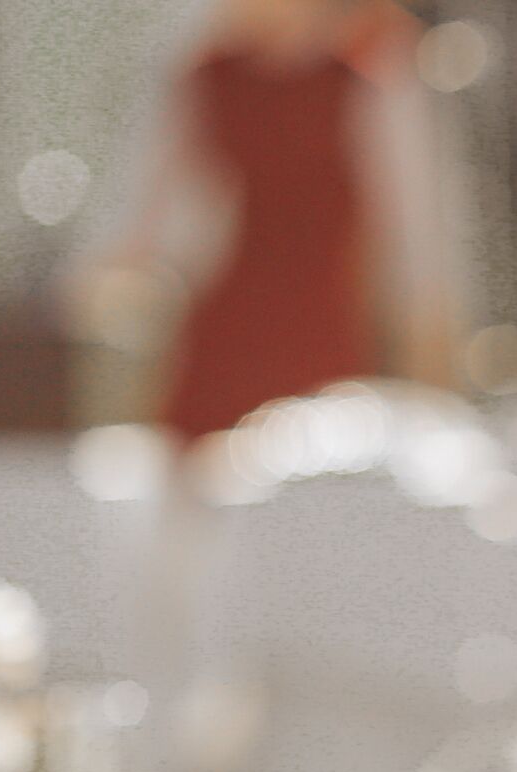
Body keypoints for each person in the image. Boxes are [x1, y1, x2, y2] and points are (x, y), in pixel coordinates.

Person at [81, 0, 464, 441]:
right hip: (225, 336)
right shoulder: (208, 72)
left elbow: (417, 242)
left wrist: (431, 383)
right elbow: (144, 222)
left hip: (327, 338)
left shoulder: (370, 66)